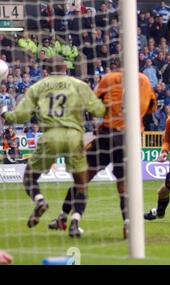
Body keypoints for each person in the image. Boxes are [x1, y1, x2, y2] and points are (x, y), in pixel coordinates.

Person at [1, 56, 105, 238]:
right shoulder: (78, 84)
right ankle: (74, 223)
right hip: (74, 136)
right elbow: (98, 110)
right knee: (81, 183)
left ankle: (40, 201)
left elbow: (21, 116)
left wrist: (5, 114)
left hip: (50, 136)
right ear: (66, 67)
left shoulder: (38, 87)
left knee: (29, 178)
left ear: (46, 70)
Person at [48, 67, 157, 239]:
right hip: (130, 139)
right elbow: (152, 108)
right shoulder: (144, 80)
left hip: (107, 135)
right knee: (124, 186)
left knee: (83, 179)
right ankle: (128, 226)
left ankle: (68, 220)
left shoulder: (109, 78)